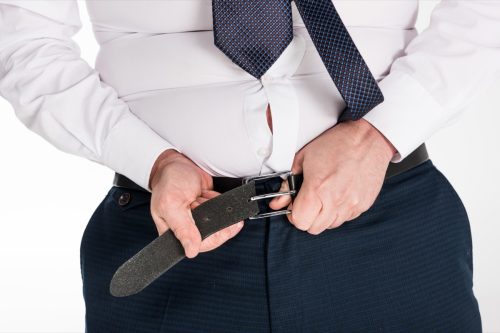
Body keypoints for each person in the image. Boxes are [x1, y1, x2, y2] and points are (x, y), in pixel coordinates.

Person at [0, 0, 495, 331]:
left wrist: (378, 134)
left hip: (388, 228)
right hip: (172, 237)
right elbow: (23, 39)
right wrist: (151, 160)